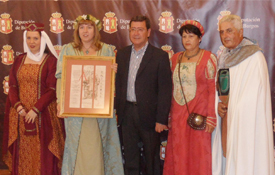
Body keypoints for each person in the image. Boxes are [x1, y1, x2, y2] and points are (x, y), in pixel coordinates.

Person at [55, 14, 124, 175]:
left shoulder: (106, 50)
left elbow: (110, 82)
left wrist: (113, 72)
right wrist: (60, 102)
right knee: (77, 145)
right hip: (74, 110)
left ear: (96, 30)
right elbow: (60, 78)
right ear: (77, 30)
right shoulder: (67, 49)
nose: (85, 31)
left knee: (96, 144)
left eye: (89, 27)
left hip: (98, 110)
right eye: (82, 27)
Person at [212, 14, 274, 175]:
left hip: (246, 124)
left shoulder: (254, 57)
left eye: (229, 31)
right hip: (227, 119)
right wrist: (219, 104)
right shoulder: (225, 57)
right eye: (222, 32)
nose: (225, 36)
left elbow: (254, 97)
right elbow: (222, 89)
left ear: (241, 32)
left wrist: (234, 108)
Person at [2, 23, 65, 175]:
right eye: (29, 38)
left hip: (43, 116)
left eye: (35, 38)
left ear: (42, 40)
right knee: (22, 152)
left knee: (42, 153)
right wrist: (18, 107)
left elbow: (52, 90)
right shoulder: (19, 60)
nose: (32, 42)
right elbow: (13, 86)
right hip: (20, 115)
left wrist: (36, 110)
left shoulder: (50, 61)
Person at [115, 15, 172, 175]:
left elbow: (165, 90)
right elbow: (118, 84)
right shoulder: (122, 54)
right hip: (127, 113)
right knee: (130, 157)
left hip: (150, 116)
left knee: (151, 158)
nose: (136, 33)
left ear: (148, 32)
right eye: (133, 29)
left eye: (140, 29)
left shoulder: (159, 56)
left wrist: (161, 119)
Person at [163, 20, 217, 175]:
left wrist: (211, 117)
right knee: (178, 153)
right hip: (178, 115)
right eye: (184, 36)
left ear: (200, 38)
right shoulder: (175, 59)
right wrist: (169, 114)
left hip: (199, 115)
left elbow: (212, 89)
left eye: (191, 36)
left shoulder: (208, 59)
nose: (187, 40)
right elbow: (171, 88)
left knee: (198, 153)